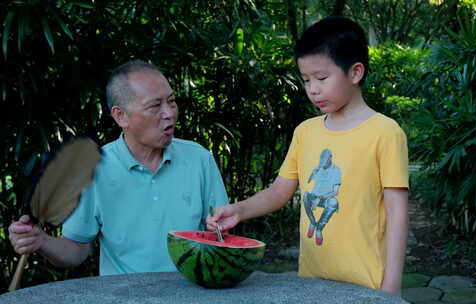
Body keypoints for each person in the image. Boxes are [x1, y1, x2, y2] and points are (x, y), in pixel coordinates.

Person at [207, 17, 409, 296]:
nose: (312, 89)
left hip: (369, 284)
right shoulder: (306, 132)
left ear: (355, 72)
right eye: (306, 80)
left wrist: (392, 286)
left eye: (322, 78)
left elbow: (397, 213)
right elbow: (279, 192)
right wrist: (238, 210)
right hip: (312, 282)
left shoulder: (385, 132)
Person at [9, 60, 229, 275]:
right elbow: (76, 249)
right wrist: (41, 241)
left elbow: (223, 236)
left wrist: (220, 236)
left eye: (171, 101)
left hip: (193, 295)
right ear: (120, 116)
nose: (169, 113)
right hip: (123, 296)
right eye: (155, 105)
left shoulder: (199, 158)